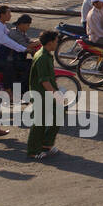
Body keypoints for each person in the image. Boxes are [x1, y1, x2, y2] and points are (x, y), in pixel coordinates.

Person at [26, 30, 63, 160]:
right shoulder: (42, 57)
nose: (57, 43)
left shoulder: (46, 54)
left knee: (58, 114)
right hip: (41, 94)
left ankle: (46, 144)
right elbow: (44, 81)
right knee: (39, 123)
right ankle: (33, 150)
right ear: (50, 42)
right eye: (56, 41)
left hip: (47, 92)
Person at [0, 5, 30, 93]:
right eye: (8, 13)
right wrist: (24, 49)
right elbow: (7, 42)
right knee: (9, 65)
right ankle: (8, 91)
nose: (10, 15)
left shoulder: (2, 26)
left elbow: (12, 38)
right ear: (2, 15)